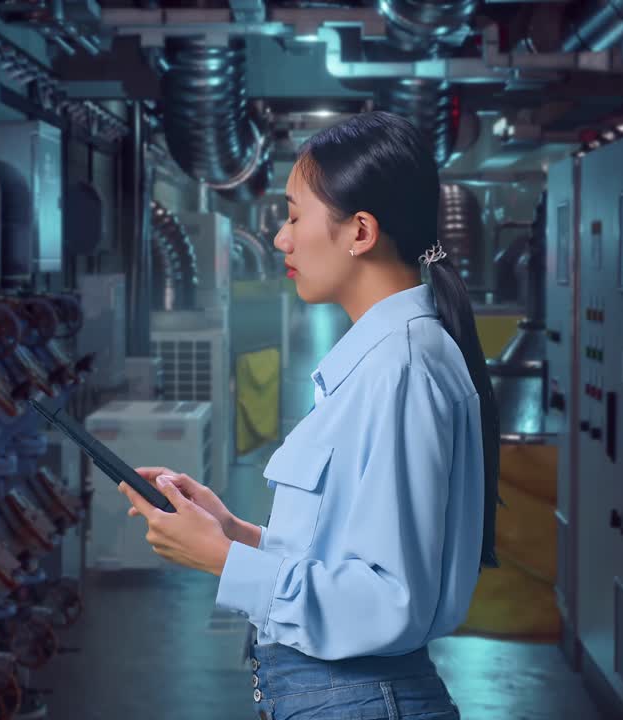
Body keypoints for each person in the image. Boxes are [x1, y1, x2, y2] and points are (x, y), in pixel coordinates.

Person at [118, 110, 500, 720]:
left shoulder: (399, 368)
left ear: (360, 232)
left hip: (358, 699)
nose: (280, 239)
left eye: (295, 216)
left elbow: (389, 601)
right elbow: (351, 554)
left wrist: (222, 561)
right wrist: (237, 534)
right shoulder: (386, 359)